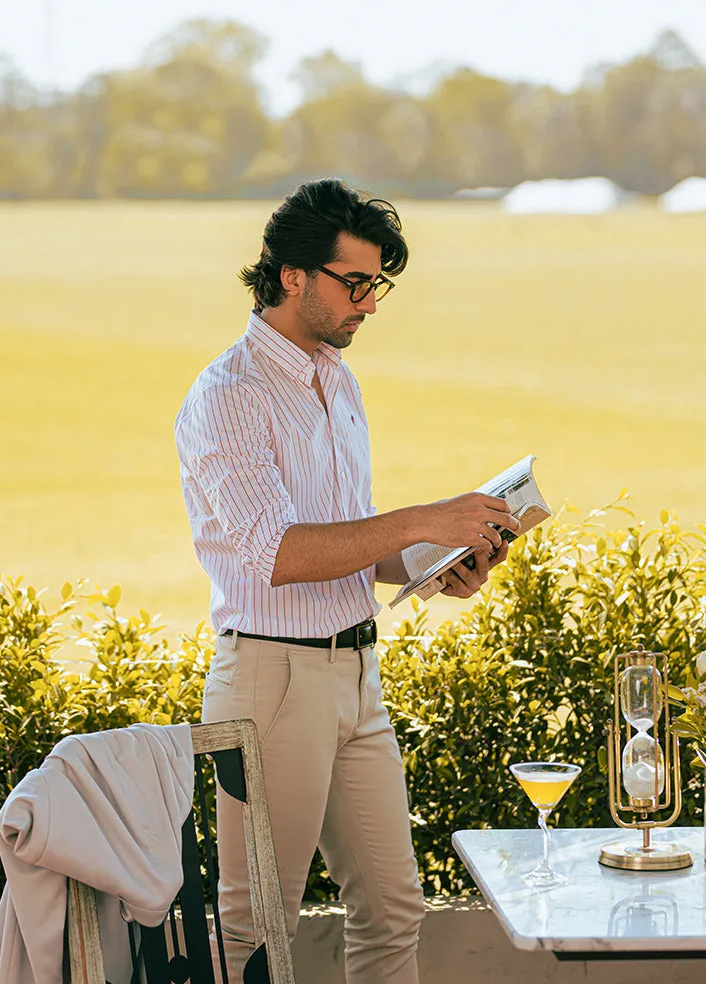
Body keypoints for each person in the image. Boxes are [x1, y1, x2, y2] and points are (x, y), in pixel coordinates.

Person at [174, 178, 519, 984]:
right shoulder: (229, 395)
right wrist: (422, 519)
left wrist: (440, 560)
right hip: (272, 680)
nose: (370, 303)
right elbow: (279, 552)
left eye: (378, 286)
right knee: (255, 927)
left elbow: (351, 544)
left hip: (357, 677)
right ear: (292, 274)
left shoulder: (337, 379)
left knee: (395, 909)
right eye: (355, 283)